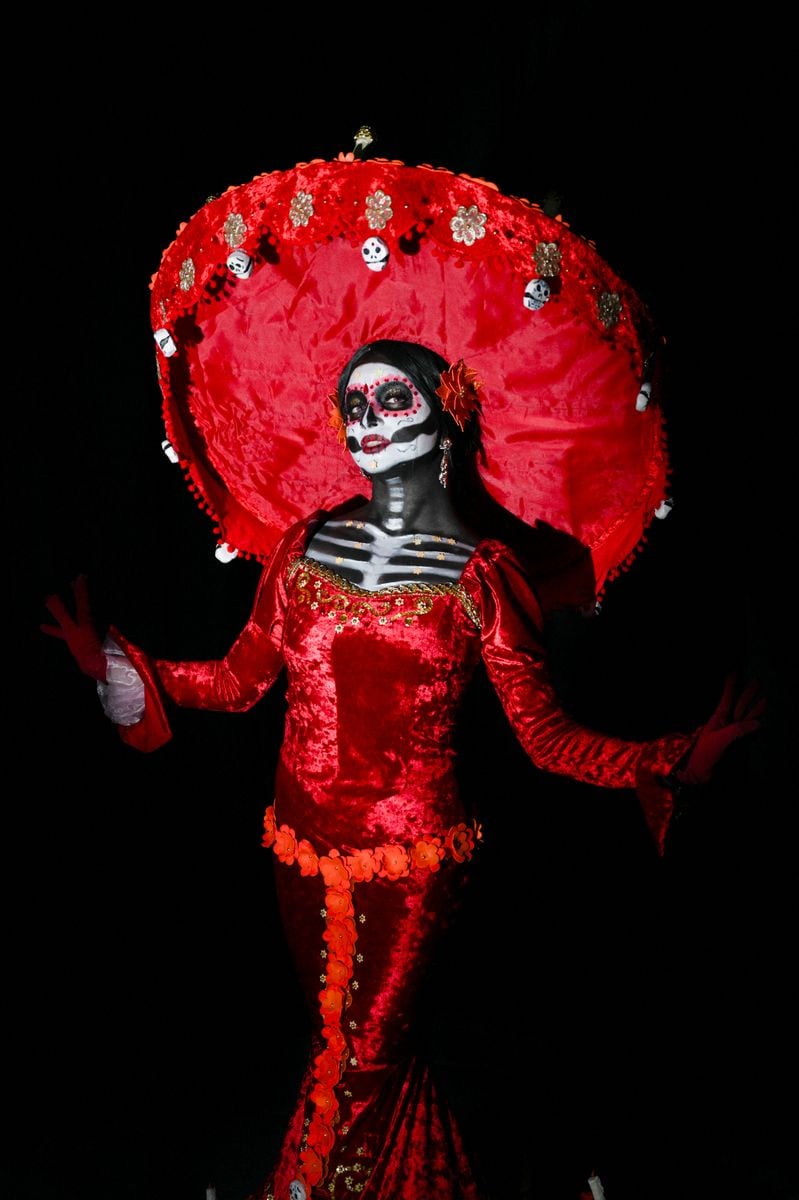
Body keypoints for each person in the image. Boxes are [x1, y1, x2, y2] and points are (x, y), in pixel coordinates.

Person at [42, 150, 762, 1200]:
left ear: (447, 408)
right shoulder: (302, 547)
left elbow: (546, 737)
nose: (367, 420)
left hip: (414, 862)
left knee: (358, 1057)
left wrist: (667, 760)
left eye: (386, 397)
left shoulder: (484, 576)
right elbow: (242, 681)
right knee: (343, 1044)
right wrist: (120, 669)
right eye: (352, 406)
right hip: (293, 844)